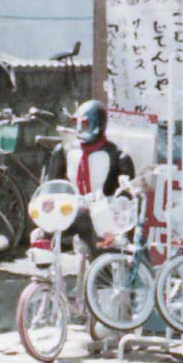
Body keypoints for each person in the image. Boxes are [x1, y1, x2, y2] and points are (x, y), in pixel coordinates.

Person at [43, 99, 135, 259]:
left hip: (101, 217)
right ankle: (46, 278)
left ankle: (101, 276)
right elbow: (51, 187)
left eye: (85, 124)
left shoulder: (117, 156)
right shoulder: (65, 151)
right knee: (42, 232)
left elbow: (127, 199)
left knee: (99, 233)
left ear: (98, 125)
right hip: (72, 211)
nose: (80, 129)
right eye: (77, 124)